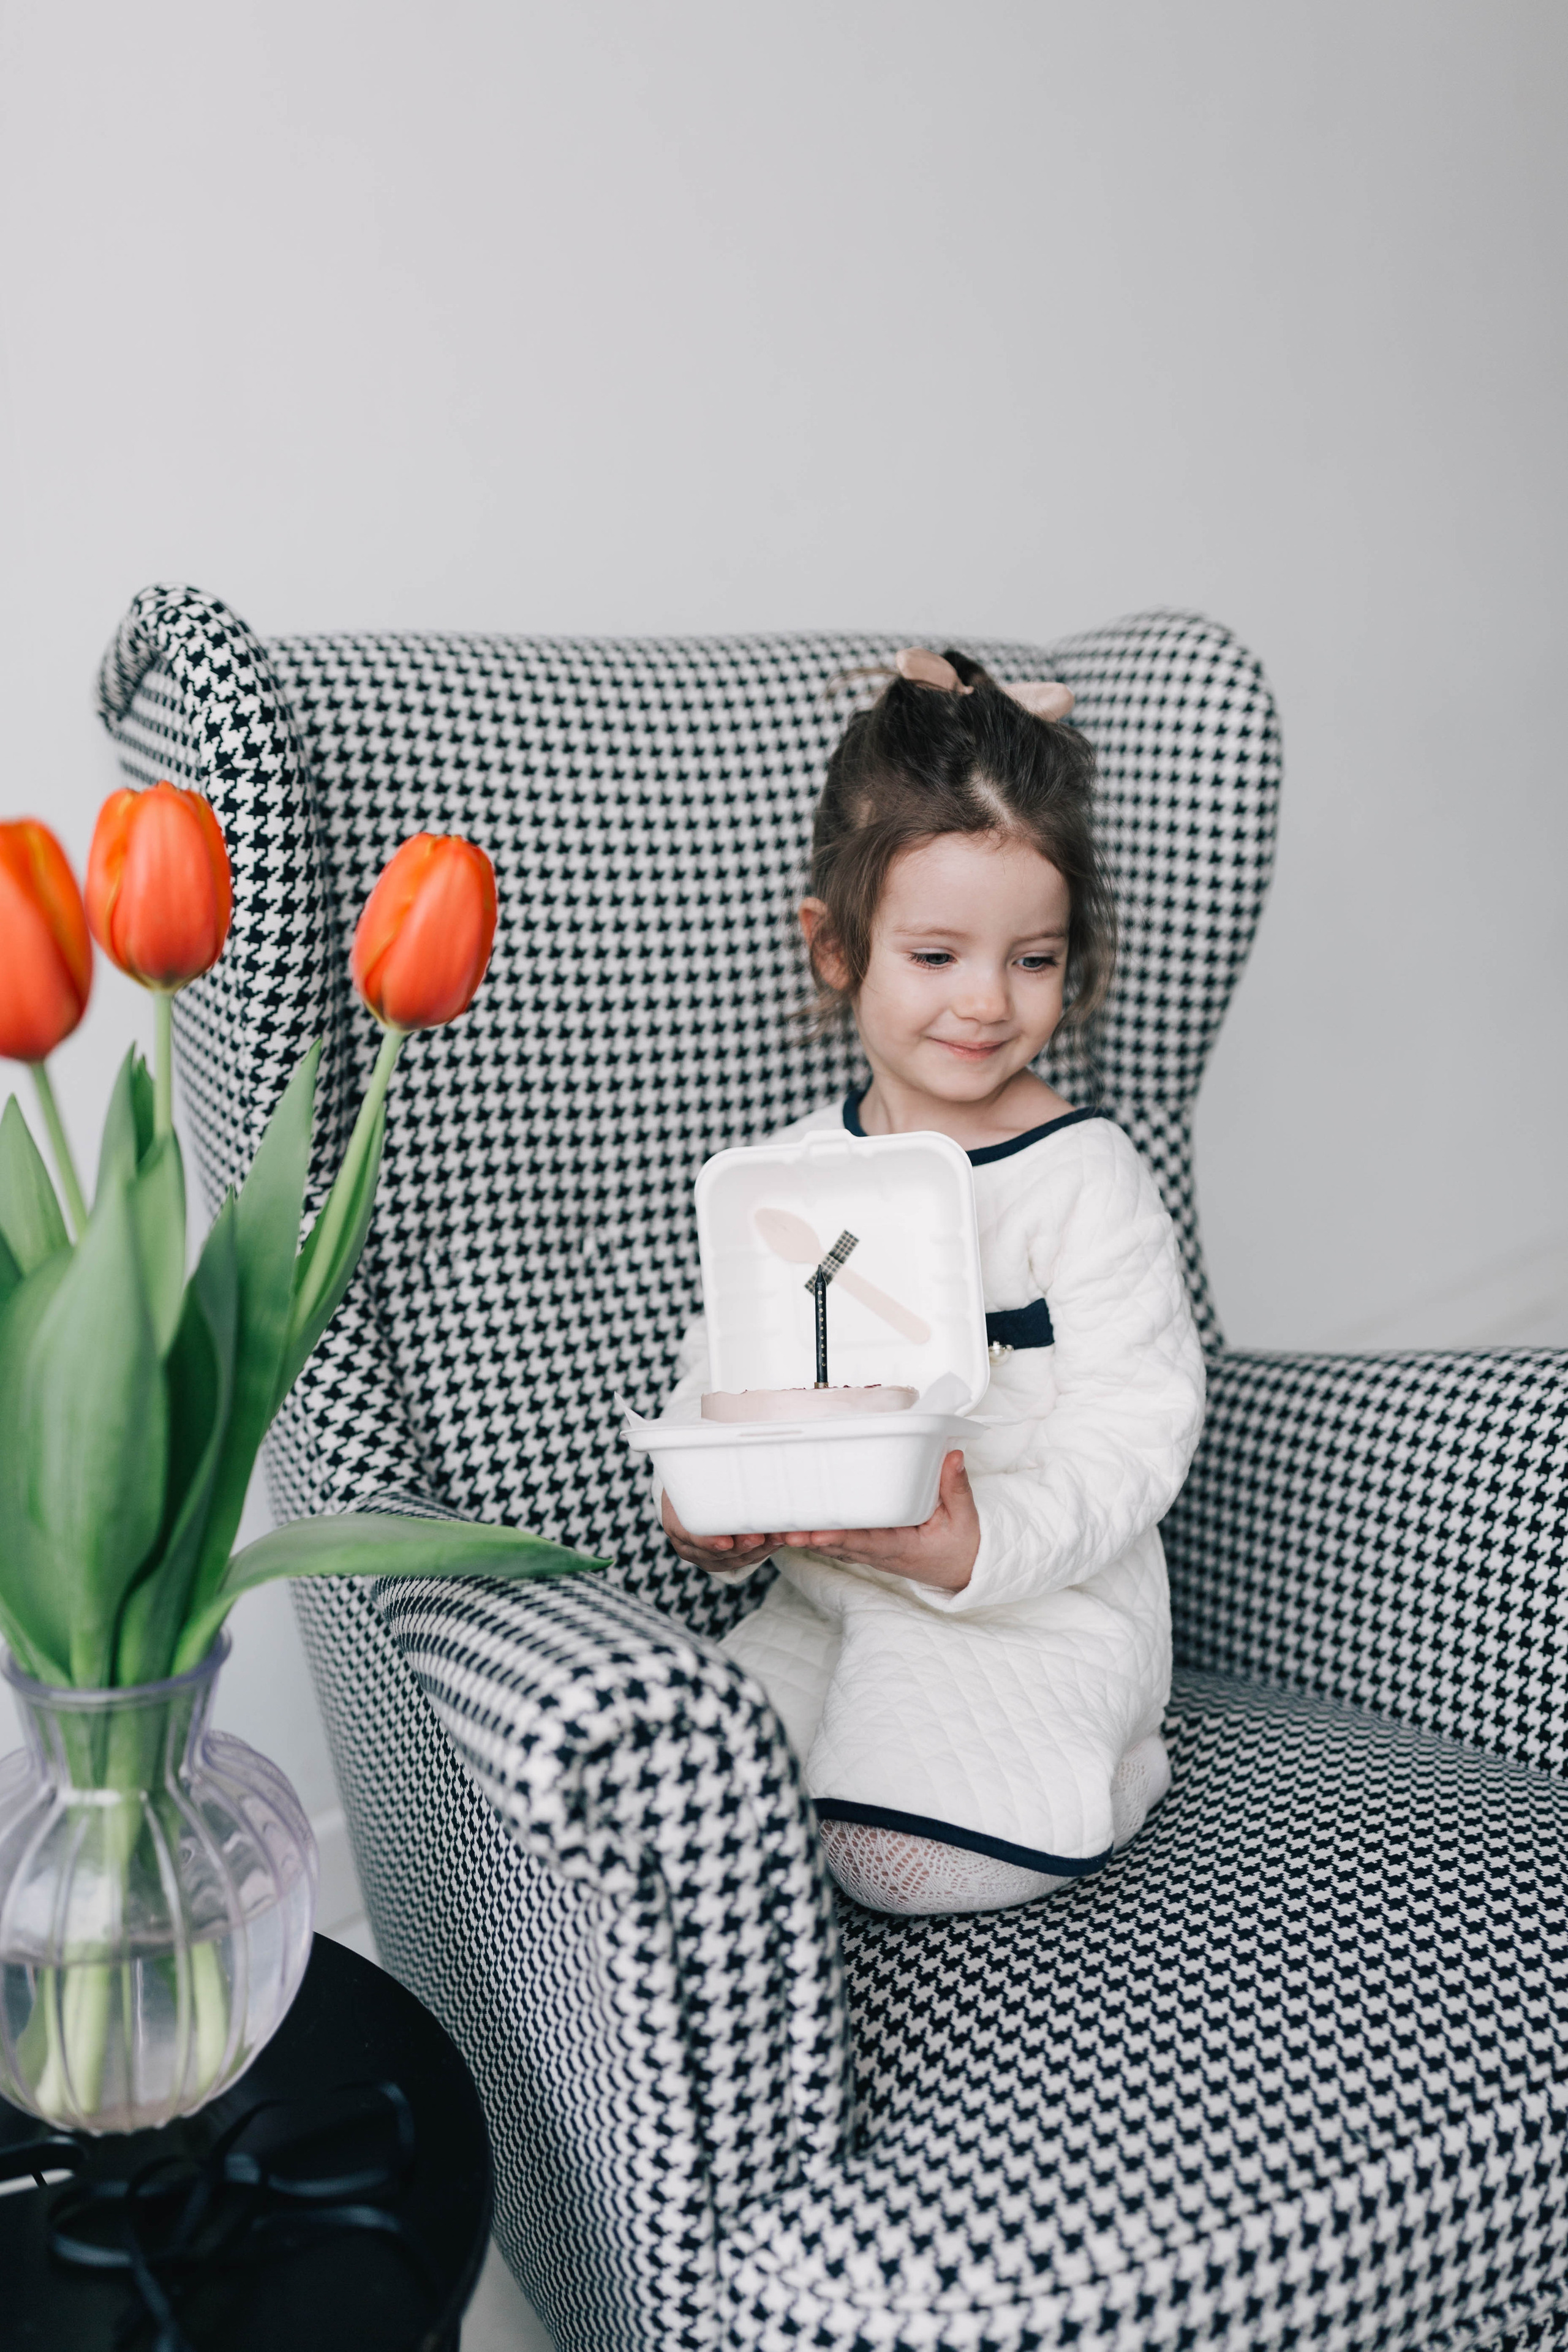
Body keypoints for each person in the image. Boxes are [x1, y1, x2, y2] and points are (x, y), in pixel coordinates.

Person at [657, 647, 1207, 1916]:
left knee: (893, 1864)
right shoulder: (787, 1176)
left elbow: (1135, 1427)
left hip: (1024, 1601)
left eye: (1030, 959)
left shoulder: (1083, 1177)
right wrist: (708, 1510)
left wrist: (978, 1543)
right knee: (695, 1830)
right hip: (827, 1602)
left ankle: (1110, 1761)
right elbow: (721, 1376)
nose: (985, 1002)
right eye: (936, 955)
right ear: (836, 949)